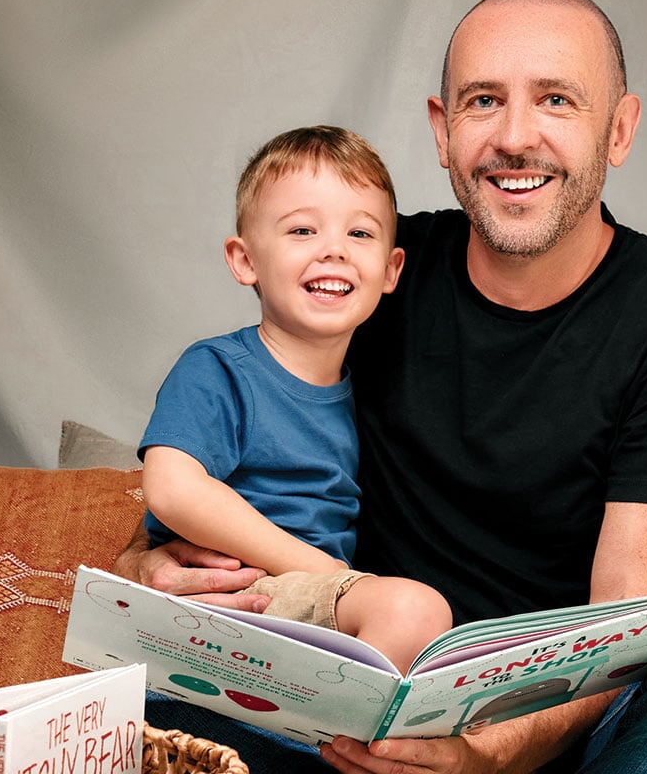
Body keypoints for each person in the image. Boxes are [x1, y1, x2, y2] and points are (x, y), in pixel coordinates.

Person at [118, 0, 647, 773]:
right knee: (130, 700)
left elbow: (623, 629)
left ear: (619, 130)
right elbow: (220, 449)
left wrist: (478, 755)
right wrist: (146, 566)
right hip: (348, 721)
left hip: (554, 735)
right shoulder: (368, 272)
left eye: (556, 100)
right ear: (442, 132)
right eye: (483, 100)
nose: (515, 138)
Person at [138, 124, 451, 675]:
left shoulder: (376, 389)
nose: (333, 249)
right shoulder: (218, 369)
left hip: (314, 609)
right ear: (245, 260)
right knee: (414, 610)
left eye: (360, 234)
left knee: (435, 635)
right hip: (240, 595)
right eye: (302, 230)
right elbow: (171, 488)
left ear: (391, 270)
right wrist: (326, 572)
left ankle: (335, 735)